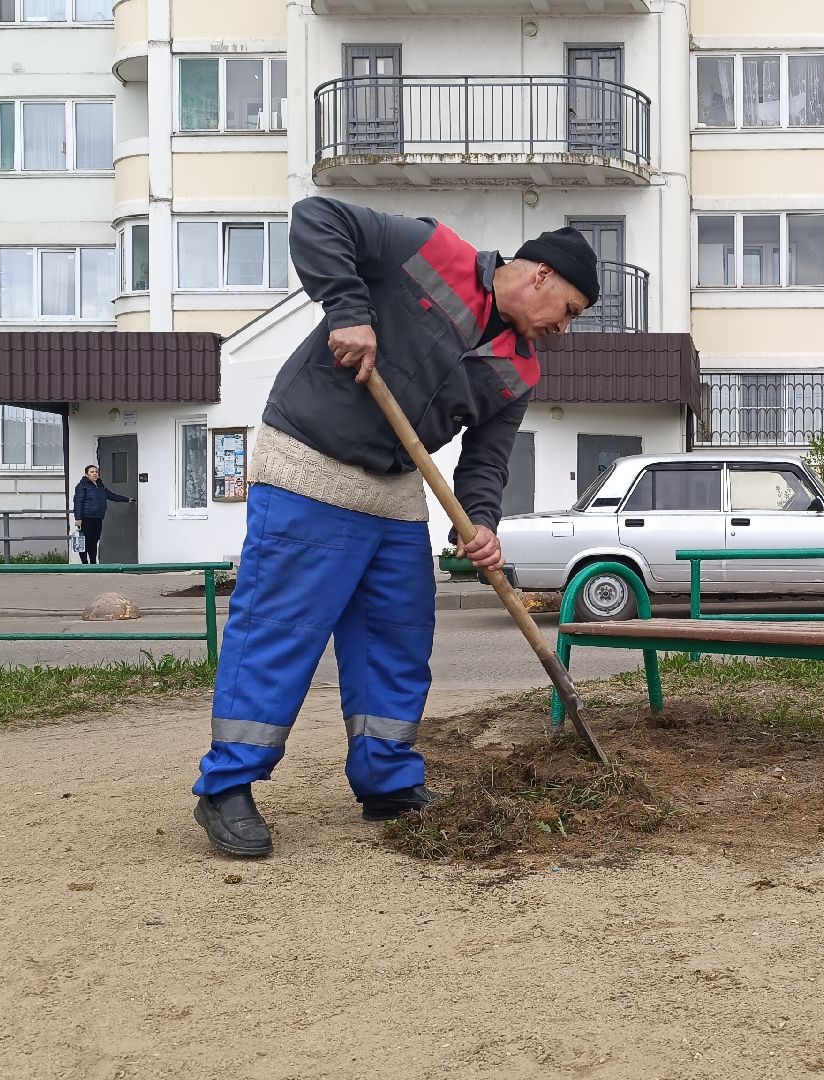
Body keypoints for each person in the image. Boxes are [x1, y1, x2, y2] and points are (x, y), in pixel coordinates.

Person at [191, 195, 598, 859]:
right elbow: (315, 217)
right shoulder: (431, 250)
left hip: (393, 491)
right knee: (279, 631)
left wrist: (484, 523)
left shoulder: (519, 370)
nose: (564, 328)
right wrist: (349, 313)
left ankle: (386, 782)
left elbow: (486, 462)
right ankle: (227, 786)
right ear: (539, 278)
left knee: (397, 638)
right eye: (569, 312)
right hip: (310, 467)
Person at [71, 465, 130, 565]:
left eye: (96, 472)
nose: (94, 474)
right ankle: (85, 564)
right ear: (86, 474)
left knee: (94, 541)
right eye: (92, 472)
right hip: (86, 518)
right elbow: (78, 502)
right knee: (85, 542)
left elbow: (111, 495)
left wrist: (127, 499)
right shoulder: (82, 486)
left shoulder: (100, 486)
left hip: (98, 518)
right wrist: (78, 518)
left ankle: (93, 563)